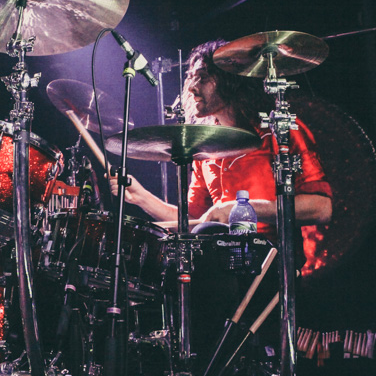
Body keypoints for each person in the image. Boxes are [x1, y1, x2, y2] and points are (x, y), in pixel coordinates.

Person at [112, 38, 332, 240]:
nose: (192, 88)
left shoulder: (277, 131)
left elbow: (321, 208)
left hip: (269, 257)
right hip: (222, 258)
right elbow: (193, 222)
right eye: (191, 78)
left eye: (203, 78)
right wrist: (141, 197)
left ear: (229, 79)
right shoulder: (205, 147)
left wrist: (241, 208)